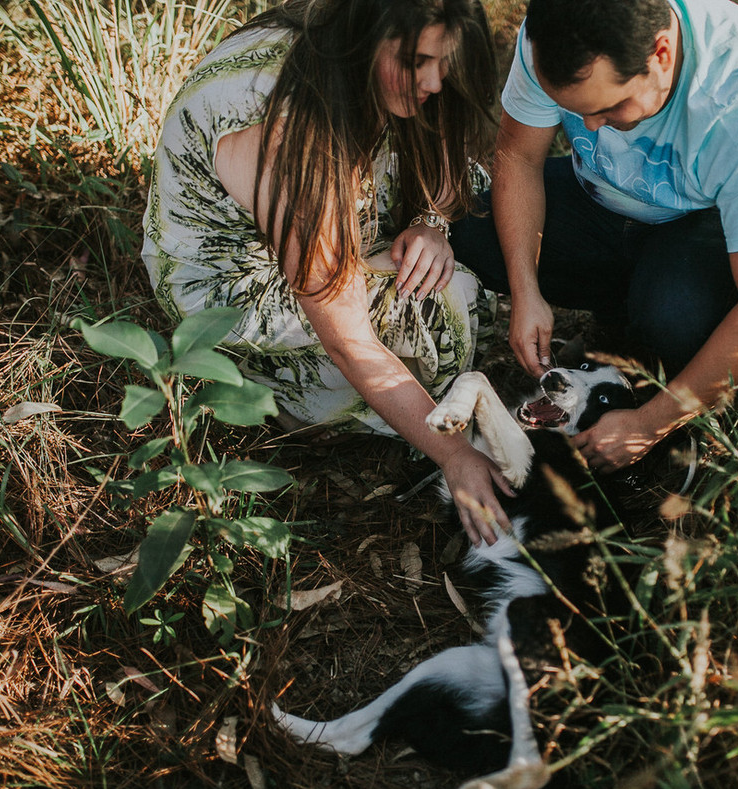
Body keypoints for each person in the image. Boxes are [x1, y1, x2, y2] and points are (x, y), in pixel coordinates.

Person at [142, 0, 511, 545]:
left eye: (444, 61)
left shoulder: (355, 61)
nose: (434, 80)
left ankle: (354, 398)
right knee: (442, 305)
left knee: (481, 207)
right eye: (416, 61)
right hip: (236, 292)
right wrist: (454, 455)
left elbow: (444, 159)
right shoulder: (289, 128)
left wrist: (430, 221)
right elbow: (349, 340)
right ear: (370, 31)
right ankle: (295, 405)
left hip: (323, 231)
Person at [451, 0, 738, 472]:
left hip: (700, 225)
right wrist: (527, 291)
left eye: (609, 107)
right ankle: (621, 313)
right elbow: (519, 158)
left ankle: (658, 350)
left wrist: (648, 424)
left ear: (661, 54)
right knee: (473, 230)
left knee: (673, 317)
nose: (588, 127)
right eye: (572, 109)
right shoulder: (554, 36)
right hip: (599, 199)